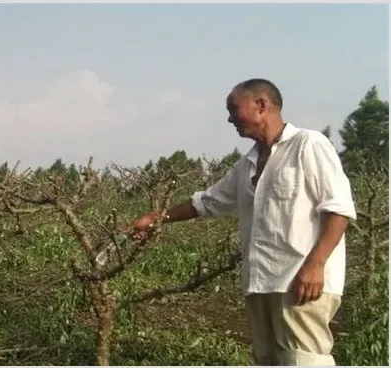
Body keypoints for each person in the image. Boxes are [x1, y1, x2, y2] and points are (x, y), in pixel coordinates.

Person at [131, 78, 356, 366]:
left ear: (260, 105)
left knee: (304, 360)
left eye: (233, 108)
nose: (229, 118)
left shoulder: (308, 144)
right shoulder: (247, 164)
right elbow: (206, 202)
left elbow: (338, 208)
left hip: (300, 280)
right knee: (268, 360)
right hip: (260, 282)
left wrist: (316, 265)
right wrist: (155, 219)